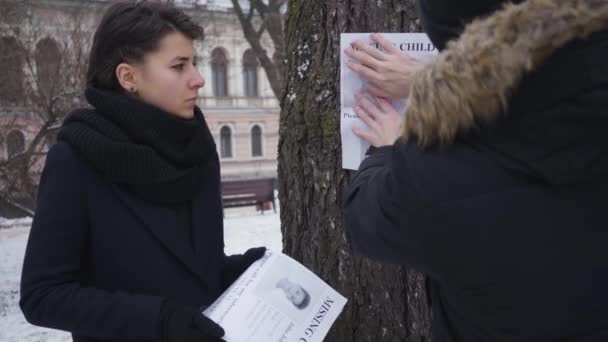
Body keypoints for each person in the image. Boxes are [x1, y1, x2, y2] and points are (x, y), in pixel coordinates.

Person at [343, 0, 608, 341]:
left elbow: (364, 219)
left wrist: (392, 147)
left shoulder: (437, 176)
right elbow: (554, 87)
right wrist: (432, 80)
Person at [19, 2, 265, 342]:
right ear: (128, 77)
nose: (198, 79)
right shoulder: (76, 159)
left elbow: (195, 269)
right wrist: (158, 319)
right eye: (179, 66)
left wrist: (243, 272)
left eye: (194, 63)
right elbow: (42, 295)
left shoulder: (198, 151)